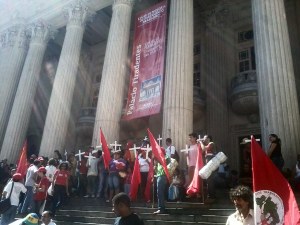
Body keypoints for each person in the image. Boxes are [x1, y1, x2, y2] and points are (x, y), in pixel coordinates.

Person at [200, 135, 216, 202]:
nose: (203, 139)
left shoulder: (211, 143)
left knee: (210, 180)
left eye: (205, 138)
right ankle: (210, 195)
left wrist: (201, 142)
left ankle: (212, 196)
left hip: (211, 163)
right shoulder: (207, 145)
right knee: (208, 180)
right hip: (208, 164)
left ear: (209, 138)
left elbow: (204, 149)